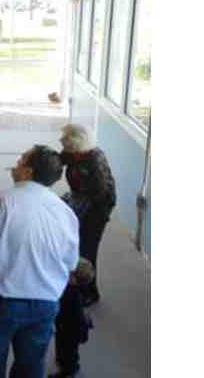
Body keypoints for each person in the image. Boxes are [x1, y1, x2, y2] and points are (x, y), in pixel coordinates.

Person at [0, 145, 79, 378]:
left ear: (28, 172)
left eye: (21, 160)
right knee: (31, 366)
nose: (16, 163)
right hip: (45, 304)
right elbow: (71, 264)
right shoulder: (66, 213)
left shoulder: (2, 200)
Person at [59, 124, 117, 307]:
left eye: (66, 142)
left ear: (77, 146)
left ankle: (90, 291)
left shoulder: (94, 161)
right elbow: (57, 160)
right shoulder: (73, 153)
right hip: (81, 199)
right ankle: (73, 282)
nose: (62, 144)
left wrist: (78, 208)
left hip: (98, 207)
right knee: (74, 242)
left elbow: (100, 193)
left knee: (87, 248)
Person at [49, 258, 95, 378]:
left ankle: (68, 370)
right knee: (68, 349)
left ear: (74, 278)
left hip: (69, 329)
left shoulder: (70, 294)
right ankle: (66, 362)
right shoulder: (79, 291)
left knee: (68, 350)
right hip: (70, 327)